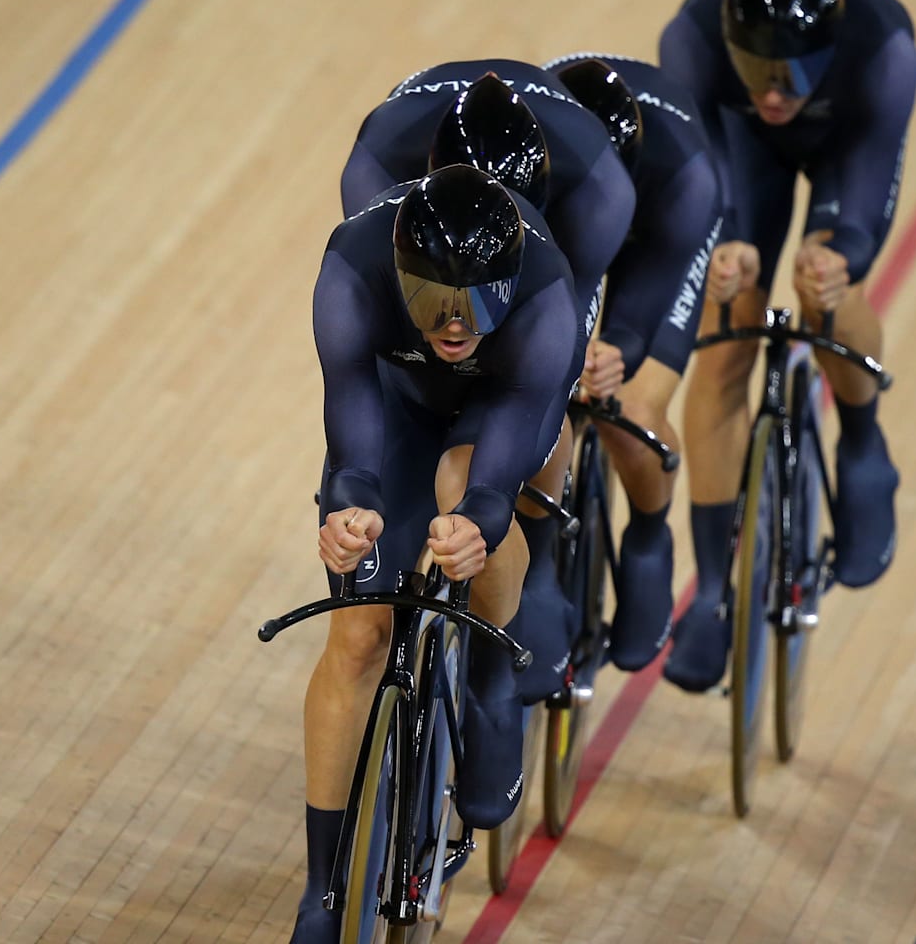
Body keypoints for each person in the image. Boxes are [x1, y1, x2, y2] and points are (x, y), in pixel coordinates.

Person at [295, 164, 580, 943]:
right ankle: (322, 891)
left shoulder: (550, 300)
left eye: (478, 303)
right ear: (398, 272)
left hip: (494, 412)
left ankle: (492, 678)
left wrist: (479, 523)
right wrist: (350, 513)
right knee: (357, 634)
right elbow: (352, 436)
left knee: (465, 494)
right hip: (396, 405)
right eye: (432, 303)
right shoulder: (352, 266)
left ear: (511, 284)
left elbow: (497, 479)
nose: (455, 328)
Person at [657, 0, 916, 691]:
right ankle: (711, 588)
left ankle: (863, 444)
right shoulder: (692, 41)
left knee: (822, 283)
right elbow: (699, 179)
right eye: (757, 69)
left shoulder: (883, 49)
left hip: (845, 151)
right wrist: (726, 244)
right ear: (730, 46)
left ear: (828, 52)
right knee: (729, 325)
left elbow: (865, 203)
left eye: (795, 72)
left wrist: (846, 257)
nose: (775, 92)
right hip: (744, 157)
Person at [341, 64, 636, 694]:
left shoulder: (596, 195)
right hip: (424, 237)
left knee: (550, 378)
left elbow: (547, 364)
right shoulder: (377, 170)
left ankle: (544, 558)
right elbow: (376, 327)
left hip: (556, 253)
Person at [537, 53, 723, 669]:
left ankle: (647, 538)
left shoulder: (683, 179)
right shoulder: (526, 146)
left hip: (659, 240)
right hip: (552, 223)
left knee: (631, 414)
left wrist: (615, 349)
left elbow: (640, 316)